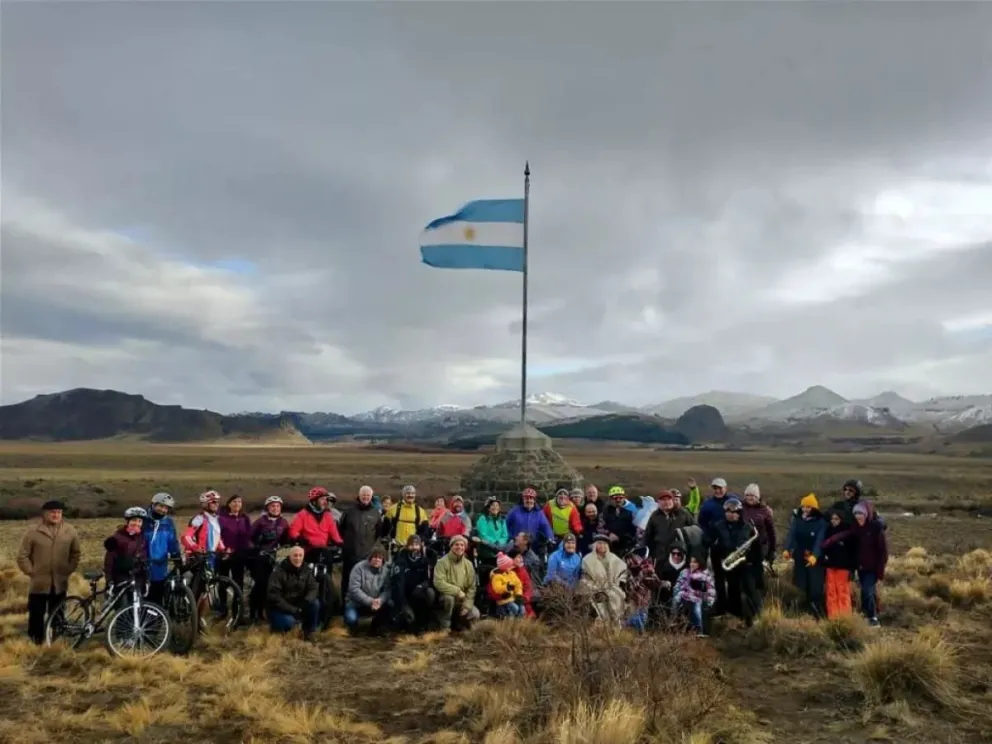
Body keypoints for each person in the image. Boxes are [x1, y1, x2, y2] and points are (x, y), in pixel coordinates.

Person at [17, 500, 81, 644]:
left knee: (58, 614)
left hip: (60, 581)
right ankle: (36, 642)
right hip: (39, 583)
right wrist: (31, 572)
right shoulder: (33, 532)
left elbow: (75, 553)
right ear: (44, 513)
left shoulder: (70, 530)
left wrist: (68, 569)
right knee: (36, 614)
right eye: (52, 512)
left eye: (58, 512)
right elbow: (22, 556)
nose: (56, 515)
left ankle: (55, 641)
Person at [823, 501, 888, 627]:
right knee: (869, 591)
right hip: (861, 566)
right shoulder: (857, 528)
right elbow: (846, 534)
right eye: (856, 514)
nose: (859, 516)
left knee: (866, 590)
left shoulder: (876, 529)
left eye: (861, 514)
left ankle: (873, 618)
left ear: (867, 514)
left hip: (872, 567)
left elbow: (883, 552)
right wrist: (831, 540)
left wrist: (880, 570)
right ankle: (869, 613)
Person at [707, 497, 763, 626]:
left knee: (750, 591)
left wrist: (750, 560)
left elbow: (756, 549)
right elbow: (710, 543)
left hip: (744, 565)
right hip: (727, 564)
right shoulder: (718, 526)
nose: (730, 514)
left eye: (734, 512)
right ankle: (736, 618)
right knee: (732, 592)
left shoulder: (748, 527)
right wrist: (718, 551)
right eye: (727, 511)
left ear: (739, 513)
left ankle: (756, 618)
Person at [783, 494, 827, 617]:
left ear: (814, 508)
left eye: (808, 507)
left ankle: (816, 610)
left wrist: (815, 555)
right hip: (800, 555)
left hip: (815, 559)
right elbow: (792, 535)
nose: (805, 509)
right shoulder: (797, 520)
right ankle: (799, 610)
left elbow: (820, 539)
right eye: (803, 507)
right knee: (799, 583)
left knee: (815, 584)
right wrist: (787, 549)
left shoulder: (821, 522)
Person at [247, 495, 290, 623]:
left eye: (277, 506)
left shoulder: (283, 522)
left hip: (274, 557)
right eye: (272, 506)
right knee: (261, 584)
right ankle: (254, 611)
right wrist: (255, 548)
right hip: (258, 557)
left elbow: (286, 541)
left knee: (273, 585)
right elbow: (248, 537)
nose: (275, 508)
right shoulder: (261, 521)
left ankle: (268, 611)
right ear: (268, 508)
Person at [338, 485, 383, 598]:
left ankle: (363, 604)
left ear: (371, 497)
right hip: (350, 553)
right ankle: (345, 603)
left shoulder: (375, 513)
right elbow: (340, 529)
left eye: (368, 495)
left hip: (367, 554)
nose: (365, 497)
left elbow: (379, 532)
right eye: (363, 495)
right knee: (348, 578)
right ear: (359, 496)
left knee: (365, 579)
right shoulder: (349, 511)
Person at [267, 546, 319, 640]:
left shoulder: (306, 569)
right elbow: (274, 597)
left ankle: (309, 632)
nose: (298, 558)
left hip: (298, 605)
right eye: (295, 555)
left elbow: (313, 587)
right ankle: (278, 627)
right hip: (279, 608)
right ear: (289, 556)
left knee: (315, 603)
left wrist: (305, 602)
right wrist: (293, 610)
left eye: (300, 555)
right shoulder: (278, 572)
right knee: (289, 623)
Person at [433, 535, 480, 631]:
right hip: (445, 597)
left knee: (475, 614)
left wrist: (467, 605)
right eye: (456, 544)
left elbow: (472, 587)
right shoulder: (442, 562)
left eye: (462, 545)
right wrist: (457, 591)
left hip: (462, 599)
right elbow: (438, 582)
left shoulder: (468, 564)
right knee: (449, 599)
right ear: (451, 546)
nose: (459, 547)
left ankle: (457, 623)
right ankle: (444, 626)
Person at [697, 479, 730, 614]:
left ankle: (732, 605)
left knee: (732, 576)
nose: (718, 491)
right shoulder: (708, 505)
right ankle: (716, 605)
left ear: (725, 488)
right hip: (715, 546)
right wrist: (707, 537)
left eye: (720, 488)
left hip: (732, 545)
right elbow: (702, 522)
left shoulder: (733, 501)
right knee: (716, 576)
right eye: (715, 488)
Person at [143, 492, 181, 607]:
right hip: (143, 563)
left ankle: (157, 621)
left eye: (166, 508)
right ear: (153, 504)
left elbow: (172, 541)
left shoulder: (168, 523)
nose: (163, 510)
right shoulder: (143, 520)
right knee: (143, 595)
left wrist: (176, 555)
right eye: (160, 506)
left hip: (160, 564)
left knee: (157, 594)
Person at [217, 494, 253, 617]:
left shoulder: (245, 518)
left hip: (240, 555)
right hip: (224, 554)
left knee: (238, 583)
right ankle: (222, 609)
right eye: (234, 502)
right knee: (222, 582)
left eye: (239, 501)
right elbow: (217, 535)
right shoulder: (221, 518)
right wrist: (222, 549)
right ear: (229, 504)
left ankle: (237, 611)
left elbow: (249, 536)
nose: (237, 504)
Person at [391, 534, 435, 631]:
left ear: (420, 546)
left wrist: (421, 586)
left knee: (430, 593)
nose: (414, 547)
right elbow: (398, 584)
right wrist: (404, 604)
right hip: (404, 596)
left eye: (416, 544)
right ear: (407, 546)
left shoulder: (424, 561)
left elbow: (429, 580)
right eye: (411, 544)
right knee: (407, 620)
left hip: (417, 593)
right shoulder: (401, 561)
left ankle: (427, 619)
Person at [580, 533, 627, 623]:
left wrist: (620, 583)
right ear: (595, 545)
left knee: (617, 604)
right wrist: (596, 590)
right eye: (599, 543)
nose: (602, 546)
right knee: (601, 611)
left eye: (604, 544)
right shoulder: (587, 560)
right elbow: (585, 579)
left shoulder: (614, 559)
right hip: (595, 591)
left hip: (613, 590)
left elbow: (623, 572)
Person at [642, 490, 695, 568]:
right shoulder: (654, 516)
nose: (666, 502)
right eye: (663, 500)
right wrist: (648, 556)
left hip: (680, 557)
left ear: (672, 500)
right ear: (658, 502)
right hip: (660, 558)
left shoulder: (683, 514)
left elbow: (694, 531)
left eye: (669, 499)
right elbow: (648, 537)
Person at [344, 546, 391, 634]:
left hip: (377, 603)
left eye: (380, 558)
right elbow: (354, 589)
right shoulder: (358, 568)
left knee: (390, 606)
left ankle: (375, 627)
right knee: (351, 619)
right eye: (375, 557)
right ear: (370, 558)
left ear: (383, 560)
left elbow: (387, 590)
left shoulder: (386, 571)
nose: (377, 560)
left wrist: (380, 600)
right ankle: (354, 627)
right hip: (356, 603)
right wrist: (370, 601)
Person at [741, 483, 776, 594]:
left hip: (760, 546)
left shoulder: (765, 511)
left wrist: (772, 550)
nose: (750, 498)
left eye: (753, 496)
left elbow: (771, 532)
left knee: (757, 575)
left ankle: (759, 597)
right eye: (748, 495)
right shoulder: (740, 508)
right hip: (743, 546)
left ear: (758, 497)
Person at [820, 509, 856, 619]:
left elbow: (853, 552)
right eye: (832, 519)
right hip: (830, 565)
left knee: (843, 591)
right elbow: (824, 547)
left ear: (841, 519)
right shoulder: (828, 531)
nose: (833, 521)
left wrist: (852, 568)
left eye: (836, 519)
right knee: (831, 590)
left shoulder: (847, 533)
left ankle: (844, 616)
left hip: (843, 567)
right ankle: (833, 616)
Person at [103, 507, 149, 591]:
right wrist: (109, 580)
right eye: (134, 520)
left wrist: (146, 580)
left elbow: (144, 560)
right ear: (128, 522)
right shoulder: (117, 537)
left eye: (140, 521)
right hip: (121, 578)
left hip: (138, 578)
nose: (137, 523)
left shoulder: (142, 538)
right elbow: (109, 561)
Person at [673, 554, 716, 636]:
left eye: (695, 562)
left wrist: (709, 600)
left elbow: (711, 590)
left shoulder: (705, 575)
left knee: (696, 606)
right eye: (691, 562)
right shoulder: (685, 572)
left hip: (698, 597)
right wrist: (677, 592)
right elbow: (678, 584)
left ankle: (699, 630)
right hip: (684, 596)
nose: (692, 564)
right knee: (676, 600)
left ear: (699, 563)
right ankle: (674, 624)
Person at [182, 490, 227, 559]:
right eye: (213, 502)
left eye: (218, 502)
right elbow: (186, 537)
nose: (217, 504)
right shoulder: (199, 519)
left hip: (212, 557)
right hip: (200, 559)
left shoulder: (216, 519)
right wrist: (196, 548)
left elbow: (217, 537)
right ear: (205, 504)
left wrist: (223, 549)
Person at [473, 497, 512, 564]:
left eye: (497, 505)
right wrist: (493, 543)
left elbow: (505, 535)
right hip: (486, 552)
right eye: (492, 505)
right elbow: (483, 535)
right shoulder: (483, 519)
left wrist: (499, 543)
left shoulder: (502, 520)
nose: (495, 507)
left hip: (499, 551)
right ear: (488, 508)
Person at [601, 486, 638, 554]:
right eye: (615, 498)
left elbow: (634, 530)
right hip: (608, 547)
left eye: (621, 498)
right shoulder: (604, 513)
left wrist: (621, 537)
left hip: (625, 548)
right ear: (610, 499)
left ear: (624, 498)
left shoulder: (630, 513)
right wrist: (609, 534)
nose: (618, 500)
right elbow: (600, 527)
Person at [486, 552, 524, 619]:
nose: (511, 567)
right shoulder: (496, 576)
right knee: (514, 609)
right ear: (504, 566)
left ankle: (519, 624)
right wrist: (506, 588)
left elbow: (518, 584)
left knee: (522, 609)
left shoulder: (511, 573)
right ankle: (510, 623)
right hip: (504, 600)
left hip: (512, 598)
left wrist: (518, 594)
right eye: (509, 565)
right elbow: (497, 588)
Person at [508, 548, 536, 618]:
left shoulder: (523, 571)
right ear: (511, 559)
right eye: (518, 557)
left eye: (521, 557)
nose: (521, 560)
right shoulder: (504, 571)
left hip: (523, 601)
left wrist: (525, 598)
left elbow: (528, 587)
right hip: (509, 601)